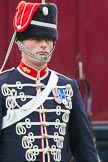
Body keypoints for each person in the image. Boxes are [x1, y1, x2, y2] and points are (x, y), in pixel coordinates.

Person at [0, 1, 100, 162]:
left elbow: (84, 150)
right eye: (36, 38)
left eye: (48, 39)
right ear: (20, 42)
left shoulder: (67, 87)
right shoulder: (3, 86)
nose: (44, 45)